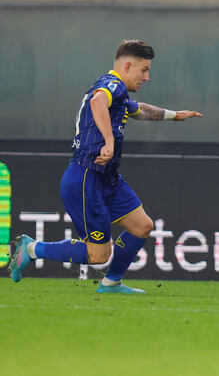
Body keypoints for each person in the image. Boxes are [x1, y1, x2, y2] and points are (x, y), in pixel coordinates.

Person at [9, 39, 202, 293]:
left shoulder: (119, 95)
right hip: (85, 177)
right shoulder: (111, 85)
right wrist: (109, 141)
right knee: (98, 254)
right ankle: (32, 249)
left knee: (143, 226)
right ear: (128, 65)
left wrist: (174, 115)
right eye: (144, 70)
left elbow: (141, 110)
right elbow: (97, 102)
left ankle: (111, 283)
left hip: (107, 177)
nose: (147, 78)